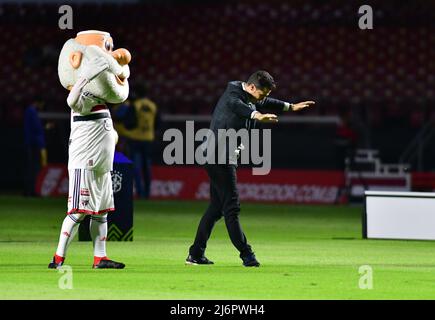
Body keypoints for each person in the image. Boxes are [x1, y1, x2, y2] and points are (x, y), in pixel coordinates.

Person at [186, 70, 315, 267]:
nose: (264, 98)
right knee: (232, 207)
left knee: (216, 208)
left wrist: (290, 106)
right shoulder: (233, 96)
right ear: (252, 87)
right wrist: (257, 116)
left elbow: (265, 102)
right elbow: (239, 108)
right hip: (218, 157)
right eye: (263, 94)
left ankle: (195, 254)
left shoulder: (248, 94)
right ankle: (247, 255)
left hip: (217, 155)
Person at [49, 30, 131, 269]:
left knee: (101, 213)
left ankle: (100, 257)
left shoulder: (102, 100)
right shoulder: (81, 94)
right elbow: (72, 102)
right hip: (84, 163)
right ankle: (58, 258)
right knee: (77, 212)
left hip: (102, 165)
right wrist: (86, 75)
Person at [115, 84, 160, 199]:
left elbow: (129, 122)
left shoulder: (135, 105)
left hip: (135, 139)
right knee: (147, 167)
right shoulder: (153, 106)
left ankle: (140, 192)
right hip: (148, 139)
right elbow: (157, 124)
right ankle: (147, 193)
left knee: (136, 167)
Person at [23, 98, 47, 197]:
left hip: (30, 143)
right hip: (33, 144)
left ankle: (29, 191)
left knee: (30, 168)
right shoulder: (32, 111)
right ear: (39, 102)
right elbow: (37, 129)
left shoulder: (30, 111)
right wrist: (45, 127)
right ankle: (31, 191)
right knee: (33, 168)